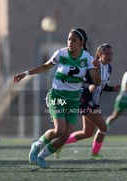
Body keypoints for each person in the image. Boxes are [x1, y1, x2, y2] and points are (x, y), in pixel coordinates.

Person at [14, 28, 100, 168]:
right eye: (69, 39)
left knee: (66, 135)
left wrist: (97, 68)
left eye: (74, 40)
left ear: (82, 42)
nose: (70, 42)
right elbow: (45, 67)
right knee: (59, 130)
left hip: (73, 99)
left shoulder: (88, 59)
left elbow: (96, 83)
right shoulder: (61, 53)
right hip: (57, 95)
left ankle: (41, 156)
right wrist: (26, 73)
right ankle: (37, 145)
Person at [56, 43, 120, 160]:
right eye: (107, 54)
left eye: (111, 54)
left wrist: (114, 88)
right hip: (85, 101)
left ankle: (58, 144)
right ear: (100, 55)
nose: (109, 56)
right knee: (103, 128)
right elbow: (80, 82)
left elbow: (102, 86)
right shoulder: (94, 66)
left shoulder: (109, 68)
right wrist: (89, 86)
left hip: (94, 102)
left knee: (87, 133)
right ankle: (94, 155)